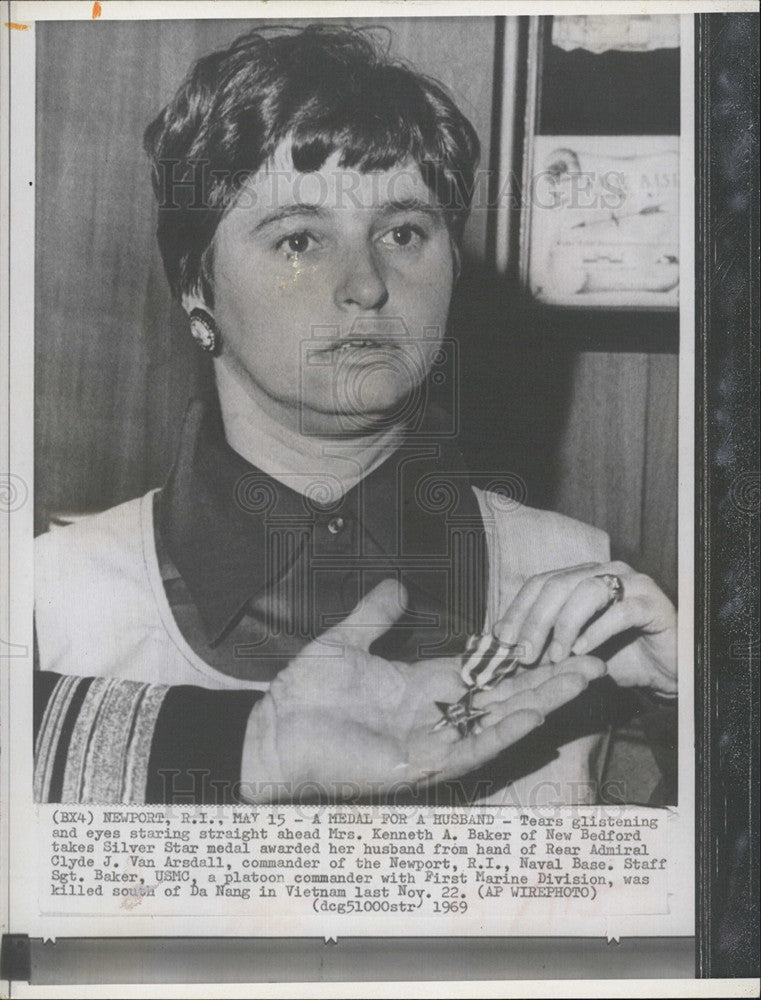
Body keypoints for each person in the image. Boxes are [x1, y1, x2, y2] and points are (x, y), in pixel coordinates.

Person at [34, 25, 677, 806]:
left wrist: (693, 710)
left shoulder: (581, 589)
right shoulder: (49, 603)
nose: (366, 284)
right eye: (299, 239)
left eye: (403, 232)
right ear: (194, 287)